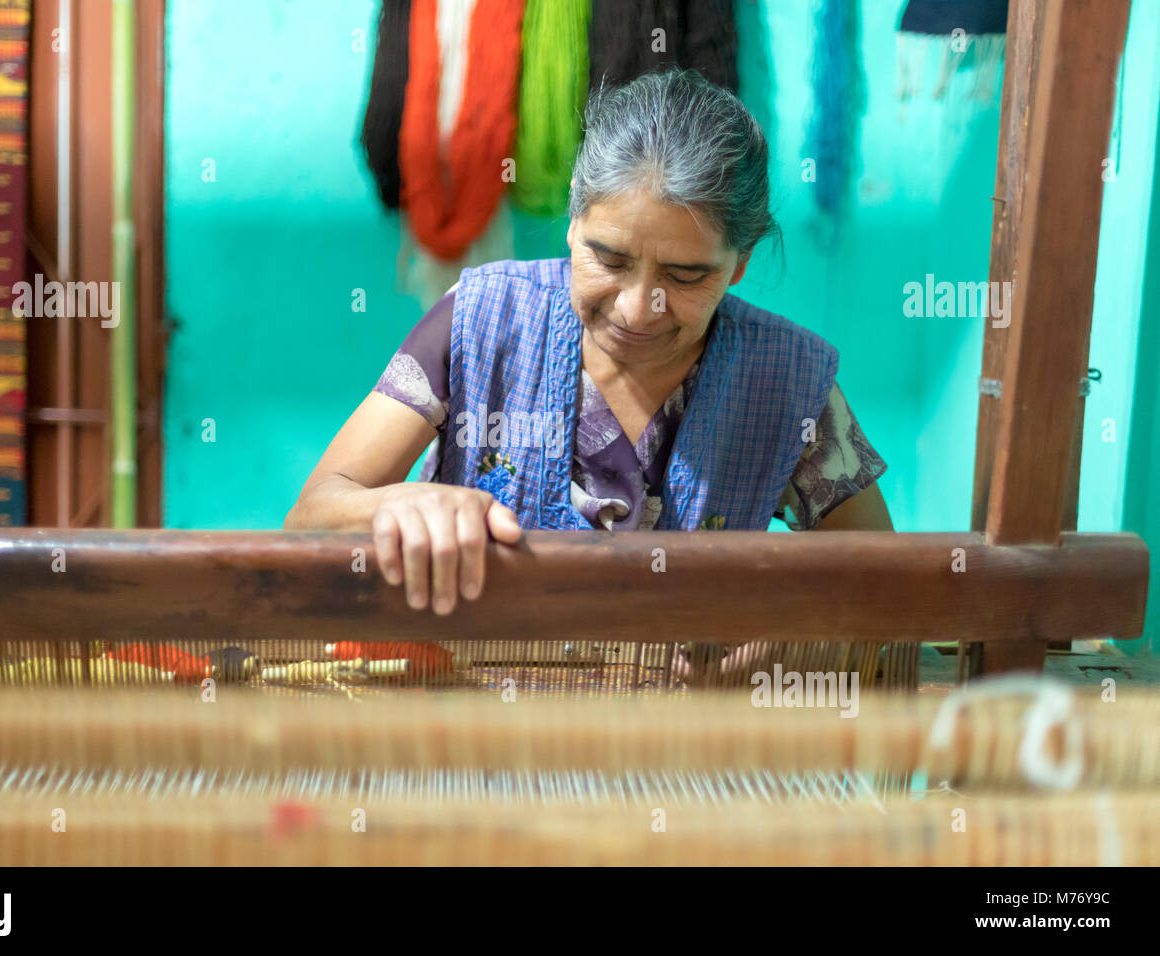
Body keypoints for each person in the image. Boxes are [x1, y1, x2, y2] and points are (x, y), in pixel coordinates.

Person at [287, 68, 892, 626]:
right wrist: (402, 506)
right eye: (609, 258)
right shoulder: (482, 320)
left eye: (685, 276)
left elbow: (886, 588)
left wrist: (801, 639)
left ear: (739, 266)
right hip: (474, 725)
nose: (637, 308)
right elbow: (311, 517)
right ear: (574, 222)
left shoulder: (784, 381)